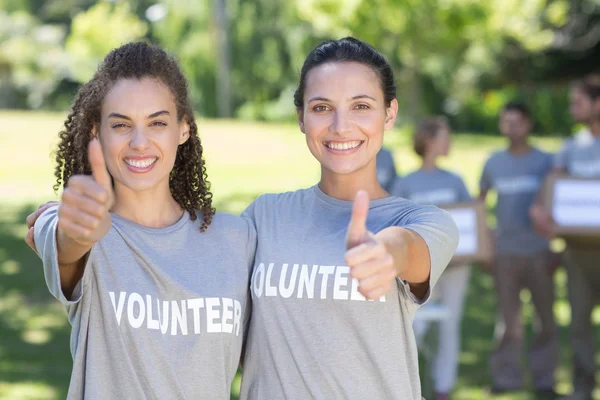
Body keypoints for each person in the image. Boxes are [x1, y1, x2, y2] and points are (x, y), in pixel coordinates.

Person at [31, 42, 256, 399]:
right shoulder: (83, 231)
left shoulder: (237, 238)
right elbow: (64, 240)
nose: (139, 142)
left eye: (157, 123)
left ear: (183, 129)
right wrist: (79, 231)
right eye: (121, 124)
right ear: (96, 132)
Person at [238, 37, 459, 400]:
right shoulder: (264, 216)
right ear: (301, 117)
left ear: (389, 113)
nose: (341, 126)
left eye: (361, 106)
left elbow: (406, 249)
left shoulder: (424, 221)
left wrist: (385, 251)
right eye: (322, 107)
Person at [479, 101, 557, 397]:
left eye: (517, 122)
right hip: (506, 254)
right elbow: (480, 203)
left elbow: (556, 204)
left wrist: (557, 245)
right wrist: (486, 244)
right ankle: (506, 379)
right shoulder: (493, 162)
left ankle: (545, 380)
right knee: (509, 321)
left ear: (528, 124)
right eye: (506, 122)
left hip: (539, 252)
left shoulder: (546, 161)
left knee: (545, 321)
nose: (511, 128)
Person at [391, 116, 472, 400]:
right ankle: (404, 384)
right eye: (445, 136)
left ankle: (443, 388)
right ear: (428, 141)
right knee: (416, 326)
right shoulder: (406, 183)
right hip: (419, 271)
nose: (449, 142)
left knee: (450, 328)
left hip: (457, 268)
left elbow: (470, 219)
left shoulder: (456, 181)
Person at [532, 81, 600, 400]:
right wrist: (541, 211)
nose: (572, 109)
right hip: (576, 251)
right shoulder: (572, 147)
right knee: (579, 324)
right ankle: (583, 388)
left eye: (578, 103)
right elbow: (553, 183)